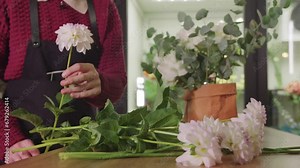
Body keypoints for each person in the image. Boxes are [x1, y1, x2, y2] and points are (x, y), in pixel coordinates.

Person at [0, 0, 127, 164]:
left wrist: (102, 83)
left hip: (81, 149)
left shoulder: (104, 7)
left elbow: (117, 78)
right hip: (21, 151)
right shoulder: (11, 4)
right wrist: (8, 136)